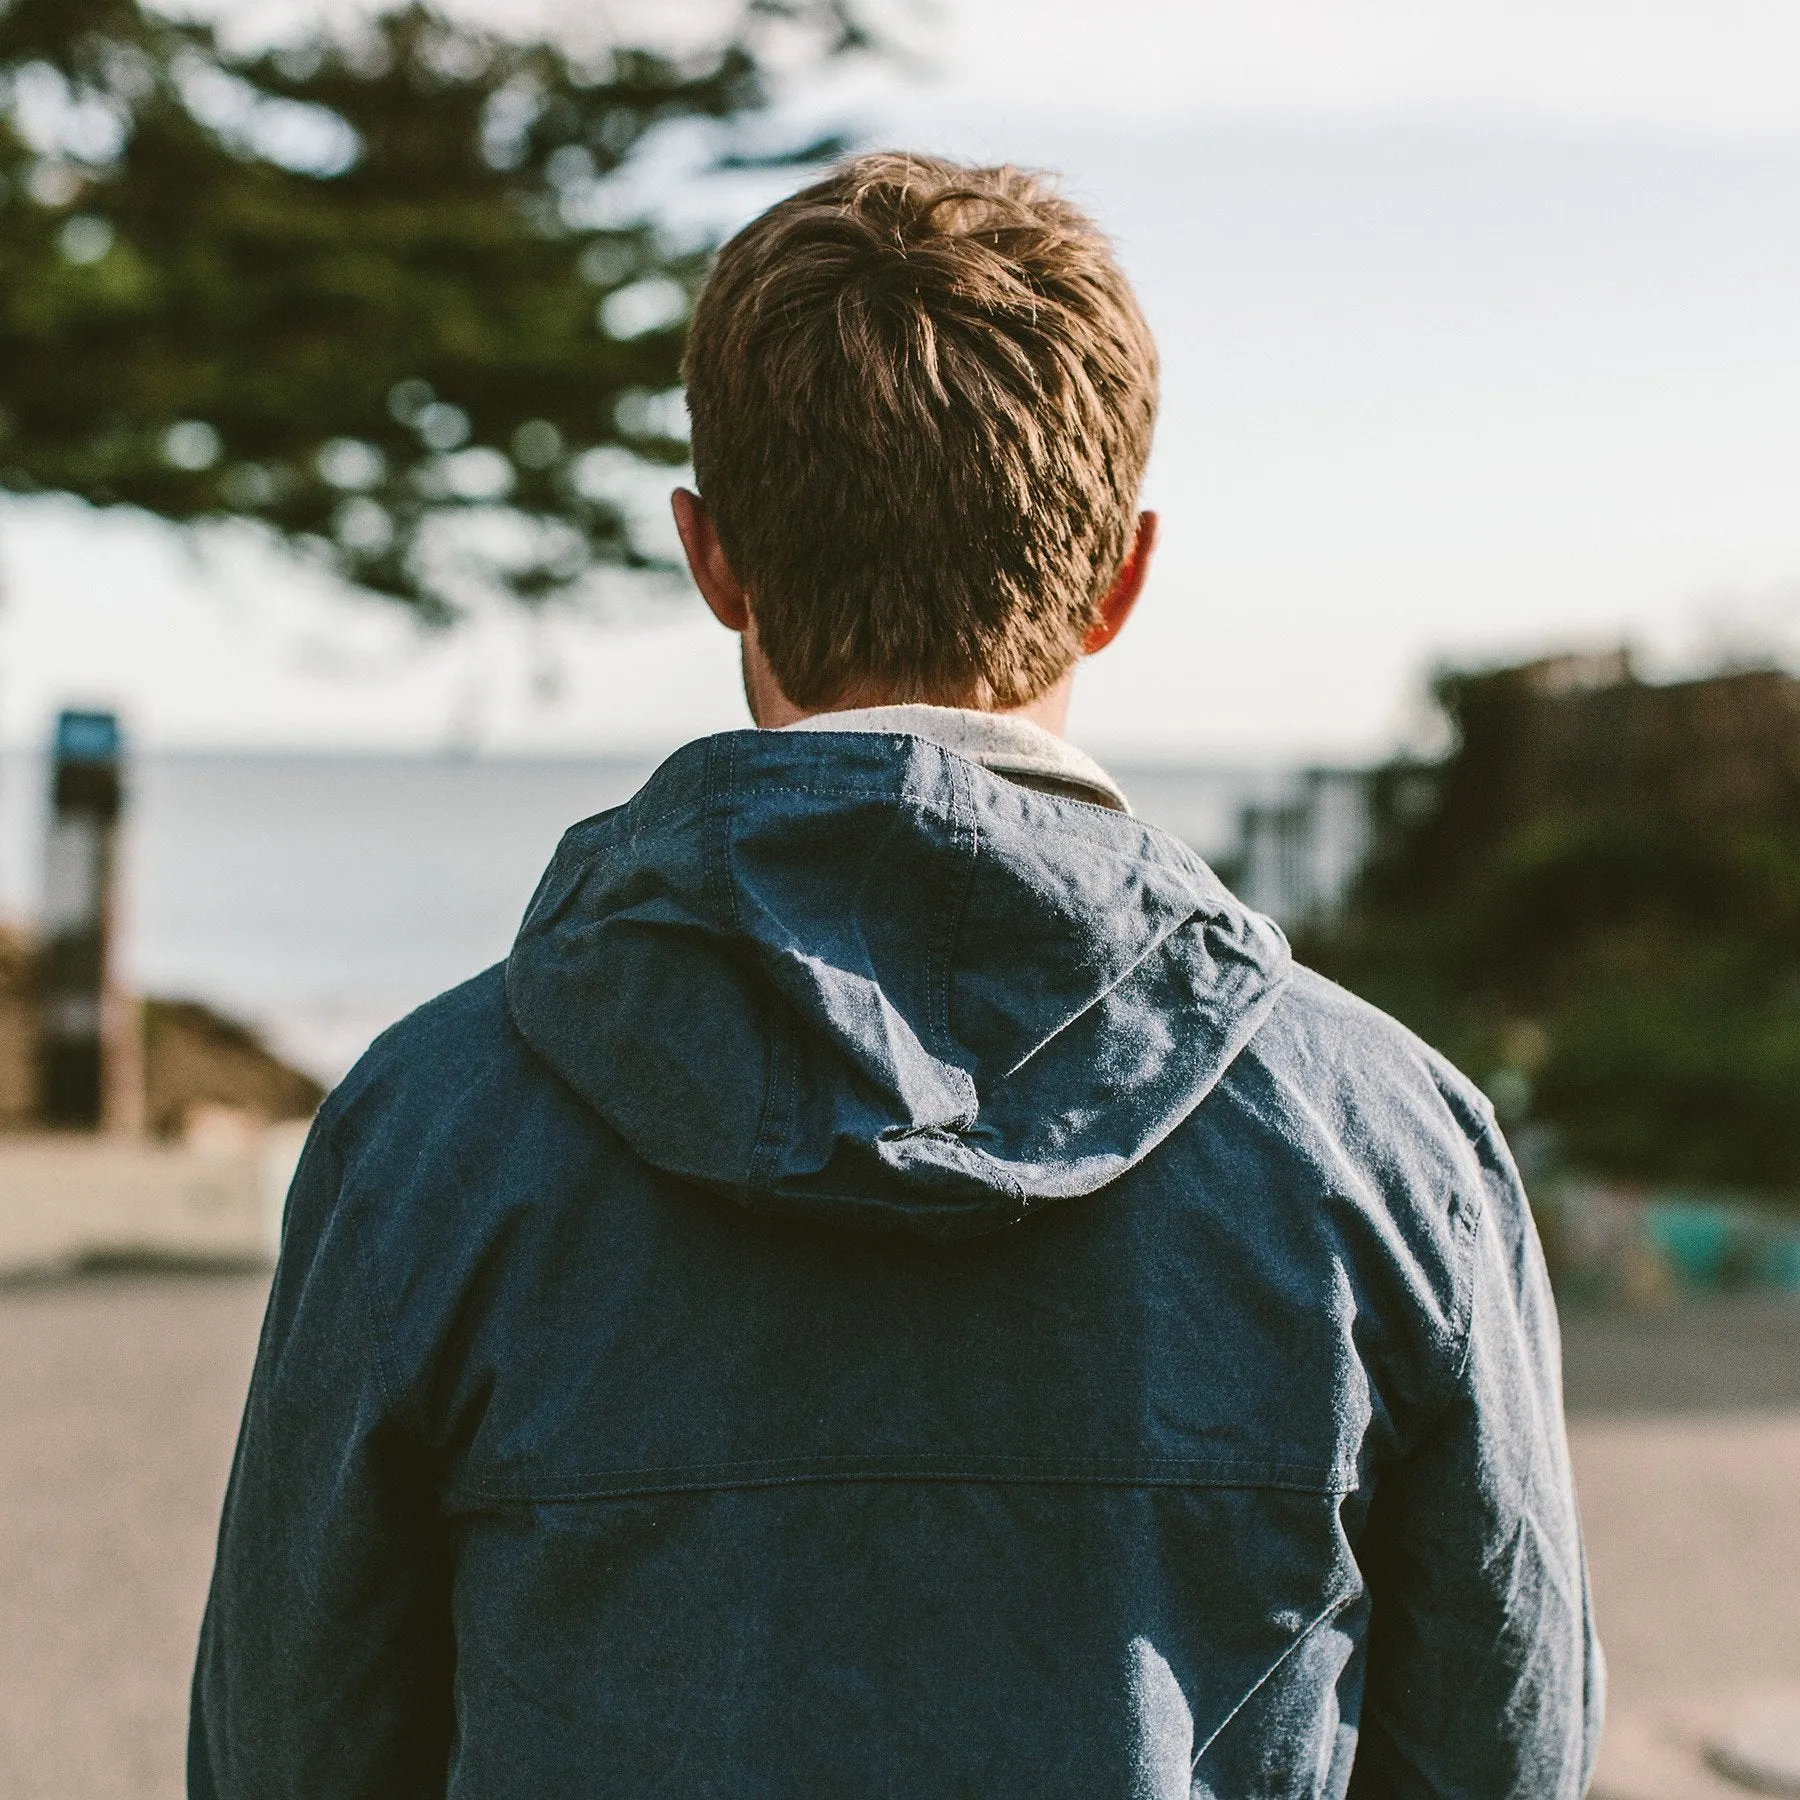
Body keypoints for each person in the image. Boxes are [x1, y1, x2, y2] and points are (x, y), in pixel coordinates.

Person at [190, 152, 1602, 1798]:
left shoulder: (427, 1135)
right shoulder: (1393, 1150)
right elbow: (1502, 1754)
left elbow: (290, 1753)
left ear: (713, 558)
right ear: (1120, 580)